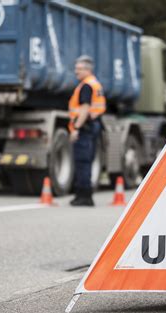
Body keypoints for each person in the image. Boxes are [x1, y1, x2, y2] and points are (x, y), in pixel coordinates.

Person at [68, 55, 106, 206]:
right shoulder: (95, 84)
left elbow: (84, 108)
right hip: (93, 125)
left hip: (85, 127)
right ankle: (84, 195)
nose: (76, 72)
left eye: (79, 69)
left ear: (87, 70)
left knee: (82, 161)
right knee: (86, 161)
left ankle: (84, 196)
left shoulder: (86, 86)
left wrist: (76, 128)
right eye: (76, 68)